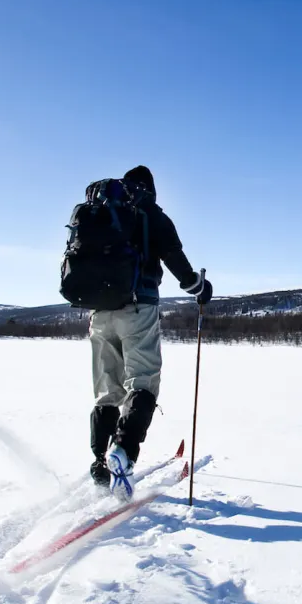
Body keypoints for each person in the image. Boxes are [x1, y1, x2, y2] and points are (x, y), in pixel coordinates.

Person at [87, 165, 212, 497]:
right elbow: (178, 265)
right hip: (138, 307)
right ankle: (124, 452)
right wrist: (200, 287)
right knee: (142, 381)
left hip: (99, 312)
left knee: (107, 389)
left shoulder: (101, 211)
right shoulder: (152, 215)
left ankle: (101, 463)